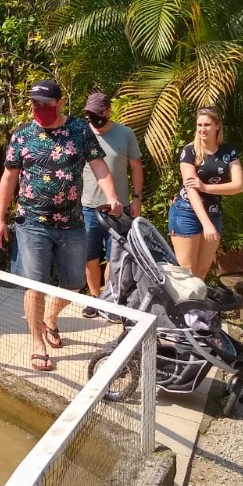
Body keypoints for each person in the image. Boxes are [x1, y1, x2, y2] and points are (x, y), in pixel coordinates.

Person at [0, 79, 123, 371]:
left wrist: (112, 195)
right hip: (31, 223)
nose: (39, 109)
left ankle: (50, 318)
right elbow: (9, 178)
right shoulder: (23, 135)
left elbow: (99, 166)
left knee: (75, 283)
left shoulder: (79, 131)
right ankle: (38, 344)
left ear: (60, 103)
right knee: (34, 286)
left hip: (71, 223)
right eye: (35, 103)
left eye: (46, 104)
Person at [79, 92, 144, 321]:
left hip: (119, 207)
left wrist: (137, 197)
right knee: (90, 256)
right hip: (88, 206)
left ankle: (111, 298)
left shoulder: (125, 134)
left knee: (115, 256)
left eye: (97, 114)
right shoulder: (82, 133)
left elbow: (136, 166)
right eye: (90, 114)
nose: (94, 118)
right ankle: (94, 299)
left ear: (108, 111)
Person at [168, 106, 243, 279]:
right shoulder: (189, 151)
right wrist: (206, 224)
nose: (202, 129)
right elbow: (191, 189)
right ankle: (185, 307)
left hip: (214, 212)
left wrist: (206, 188)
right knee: (187, 272)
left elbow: (238, 186)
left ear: (217, 126)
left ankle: (196, 306)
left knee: (201, 272)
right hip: (186, 212)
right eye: (199, 125)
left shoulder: (228, 151)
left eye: (207, 125)